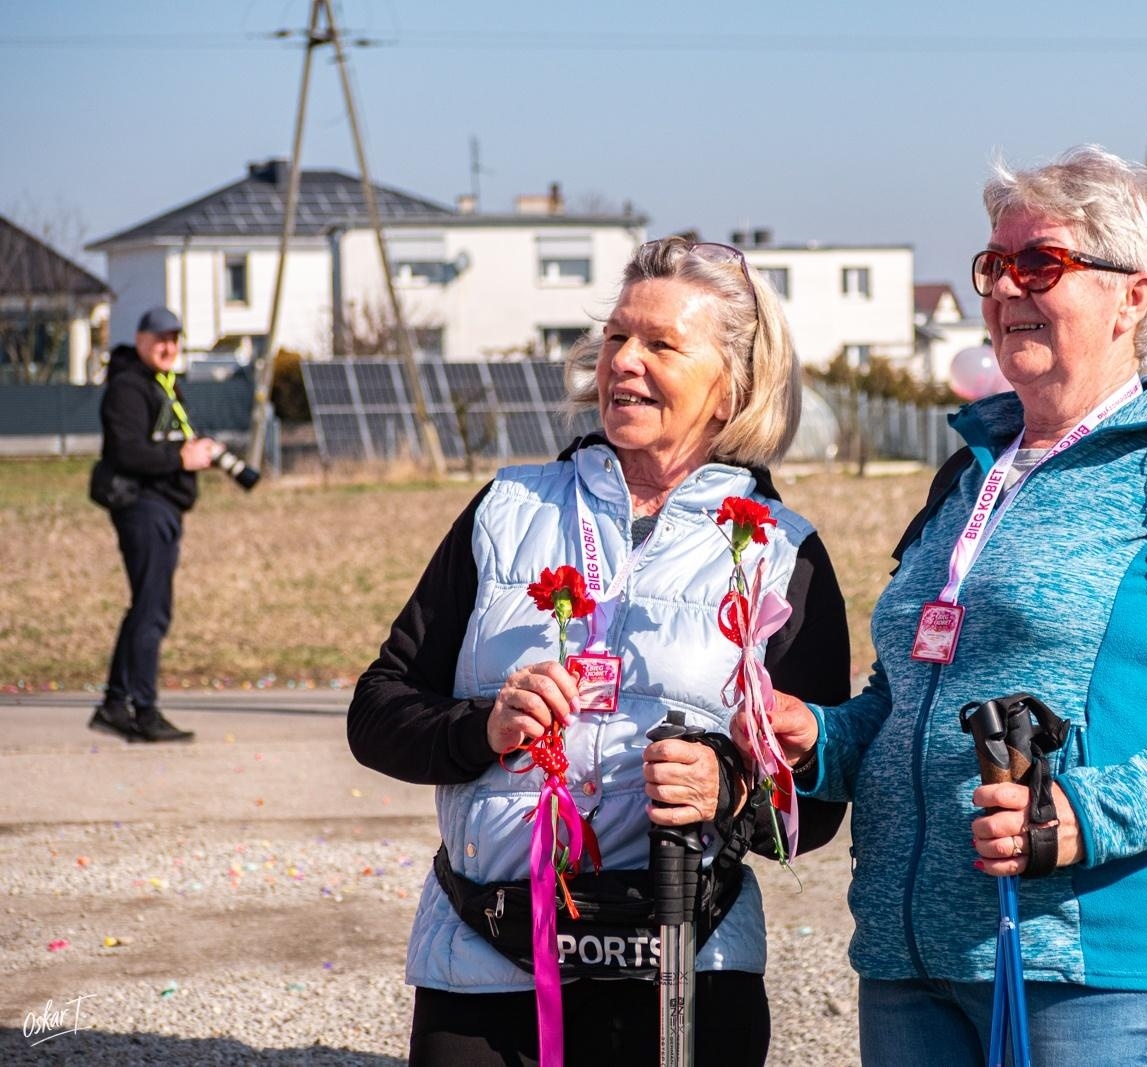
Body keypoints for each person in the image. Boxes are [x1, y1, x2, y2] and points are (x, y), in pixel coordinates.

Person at [757, 145, 1147, 1065]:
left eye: (1038, 263)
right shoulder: (965, 476)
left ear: (1133, 295)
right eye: (993, 265)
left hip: (1089, 972)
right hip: (910, 957)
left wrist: (1082, 817)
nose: (1006, 288)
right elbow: (908, 703)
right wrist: (819, 736)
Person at [348, 235, 851, 1066]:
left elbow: (817, 808)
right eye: (617, 337)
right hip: (486, 958)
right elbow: (377, 712)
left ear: (732, 387)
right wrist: (483, 727)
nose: (623, 362)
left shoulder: (781, 551)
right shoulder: (507, 509)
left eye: (660, 344)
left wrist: (726, 786)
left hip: (689, 961)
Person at [89, 307, 214, 744]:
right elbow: (126, 452)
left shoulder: (164, 385)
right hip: (142, 507)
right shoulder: (127, 388)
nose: (168, 347)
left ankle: (113, 704)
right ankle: (143, 709)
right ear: (140, 340)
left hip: (163, 508)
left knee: (146, 607)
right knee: (152, 611)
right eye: (160, 338)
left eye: (175, 339)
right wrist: (181, 458)